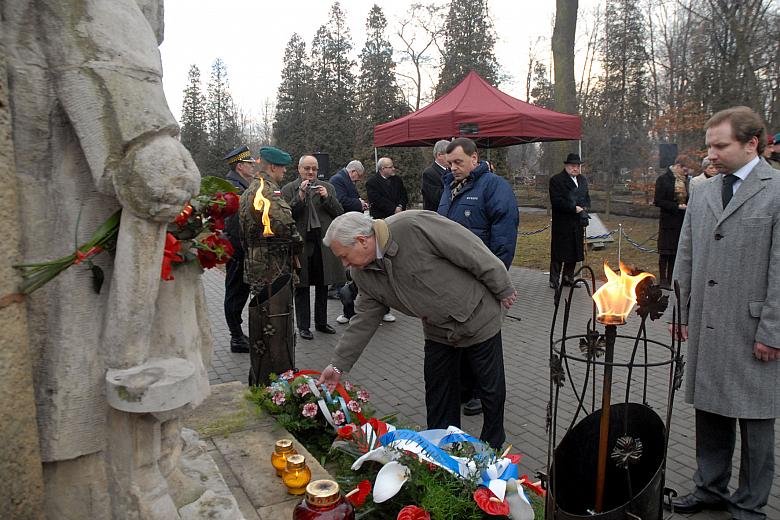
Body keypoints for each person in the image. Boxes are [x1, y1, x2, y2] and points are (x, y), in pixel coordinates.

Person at [317, 211, 517, 449]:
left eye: (344, 256)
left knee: (489, 389)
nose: (345, 264)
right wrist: (338, 364)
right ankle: (442, 450)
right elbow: (363, 320)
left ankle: (492, 449)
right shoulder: (363, 274)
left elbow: (470, 250)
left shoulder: (412, 226)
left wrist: (502, 285)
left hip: (477, 317)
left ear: (362, 240)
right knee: (438, 395)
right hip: (437, 331)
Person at [668, 106, 779, 519]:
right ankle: (710, 488)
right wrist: (679, 311)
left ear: (752, 143)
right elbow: (687, 253)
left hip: (753, 328)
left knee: (755, 422)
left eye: (720, 145)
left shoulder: (776, 189)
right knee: (710, 411)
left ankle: (750, 504)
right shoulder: (704, 190)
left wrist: (773, 331)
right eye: (709, 145)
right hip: (708, 322)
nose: (710, 154)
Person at [438, 137, 519, 417]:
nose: (453, 168)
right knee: (459, 336)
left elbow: (504, 238)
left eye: (459, 162)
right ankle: (463, 388)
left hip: (481, 279)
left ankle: (480, 395)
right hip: (452, 281)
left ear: (475, 158)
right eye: (450, 164)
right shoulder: (449, 187)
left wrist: (495, 278)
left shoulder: (494, 187)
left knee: (481, 341)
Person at [239, 146, 302, 386]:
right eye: (283, 167)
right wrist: (299, 243)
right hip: (274, 268)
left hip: (257, 265)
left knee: (264, 323)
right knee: (275, 324)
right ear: (273, 167)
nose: (285, 171)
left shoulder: (249, 191)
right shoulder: (266, 191)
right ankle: (276, 380)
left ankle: (260, 376)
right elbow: (284, 226)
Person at [282, 155, 345, 340]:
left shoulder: (328, 187)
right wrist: (300, 196)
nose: (310, 172)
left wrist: (327, 198)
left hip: (322, 244)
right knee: (301, 286)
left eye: (314, 169)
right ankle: (303, 326)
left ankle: (321, 322)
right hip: (301, 244)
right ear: (299, 169)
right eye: (307, 168)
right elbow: (286, 216)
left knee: (322, 284)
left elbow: (339, 213)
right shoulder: (289, 189)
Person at [223, 145, 256, 353]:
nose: (253, 167)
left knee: (239, 292)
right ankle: (236, 337)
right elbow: (234, 225)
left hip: (240, 250)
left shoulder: (241, 184)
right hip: (237, 251)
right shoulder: (234, 187)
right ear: (240, 166)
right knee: (235, 293)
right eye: (249, 164)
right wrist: (240, 251)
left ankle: (237, 333)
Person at [548, 153, 591, 289]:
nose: (575, 168)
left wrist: (584, 208)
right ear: (566, 166)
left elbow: (586, 197)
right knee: (559, 252)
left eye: (578, 166)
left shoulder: (582, 180)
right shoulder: (556, 180)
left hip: (577, 223)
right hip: (562, 222)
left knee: (574, 251)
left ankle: (568, 278)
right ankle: (554, 279)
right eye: (573, 166)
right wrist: (574, 208)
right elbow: (557, 201)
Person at [654, 155, 689, 289]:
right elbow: (658, 201)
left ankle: (671, 278)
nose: (686, 174)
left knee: (675, 252)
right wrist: (676, 206)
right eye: (684, 170)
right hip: (668, 220)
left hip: (680, 221)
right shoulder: (663, 180)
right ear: (678, 166)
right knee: (665, 252)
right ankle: (663, 279)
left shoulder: (685, 181)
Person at [421, 140, 450, 211]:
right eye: (449, 154)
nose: (452, 157)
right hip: (435, 216)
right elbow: (437, 198)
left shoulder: (451, 171)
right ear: (439, 155)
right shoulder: (429, 173)